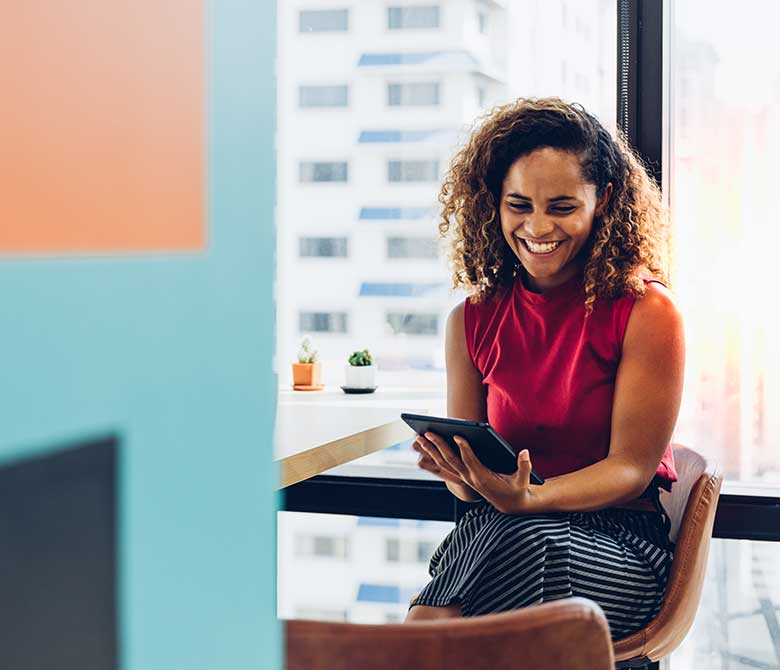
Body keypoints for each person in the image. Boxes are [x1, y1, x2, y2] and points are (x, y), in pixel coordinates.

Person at [405, 98, 685, 640]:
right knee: (506, 538)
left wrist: (530, 498)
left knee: (505, 552)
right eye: (519, 205)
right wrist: (464, 474)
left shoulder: (647, 312)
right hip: (502, 535)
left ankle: (419, 636)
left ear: (602, 200)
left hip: (620, 548)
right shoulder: (469, 321)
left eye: (560, 206)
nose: (537, 227)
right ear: (495, 205)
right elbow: (469, 500)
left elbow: (631, 468)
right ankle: (426, 637)